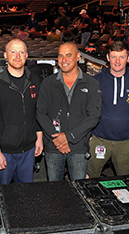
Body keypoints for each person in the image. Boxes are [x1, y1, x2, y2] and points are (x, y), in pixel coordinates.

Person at [36, 42, 102, 181]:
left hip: (78, 147)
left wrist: (68, 136)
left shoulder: (91, 84)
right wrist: (57, 139)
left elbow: (94, 116)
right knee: (55, 188)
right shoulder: (48, 83)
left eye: (68, 55)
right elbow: (40, 113)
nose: (64, 60)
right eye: (60, 56)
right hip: (54, 146)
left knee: (79, 190)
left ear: (78, 56)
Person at [0, 38, 43, 188]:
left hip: (29, 150)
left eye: (21, 52)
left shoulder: (35, 80)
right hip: (5, 152)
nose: (17, 56)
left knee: (26, 194)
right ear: (5, 55)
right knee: (4, 194)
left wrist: (39, 137)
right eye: (13, 52)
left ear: (26, 55)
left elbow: (38, 112)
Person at [87, 41, 129, 178]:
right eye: (114, 56)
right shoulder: (96, 81)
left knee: (126, 182)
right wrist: (88, 136)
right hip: (98, 140)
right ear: (108, 58)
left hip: (126, 142)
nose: (117, 61)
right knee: (89, 178)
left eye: (121, 56)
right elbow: (87, 111)